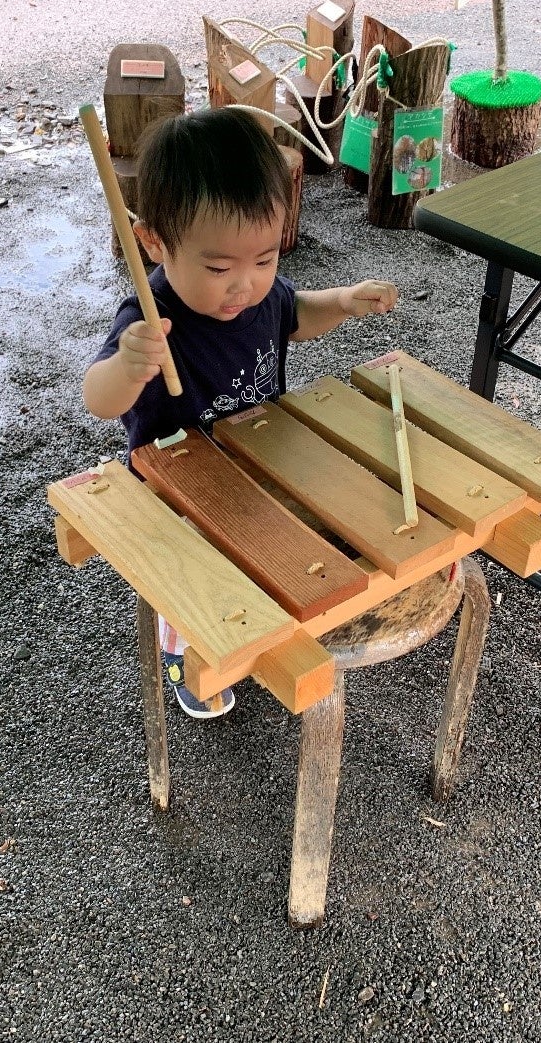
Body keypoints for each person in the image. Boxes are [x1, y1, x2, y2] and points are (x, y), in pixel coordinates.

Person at [83, 106, 398, 719]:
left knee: (296, 527)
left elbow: (294, 317)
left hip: (256, 458)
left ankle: (265, 607)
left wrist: (340, 302)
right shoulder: (149, 320)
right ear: (154, 241)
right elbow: (99, 400)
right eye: (220, 267)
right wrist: (128, 365)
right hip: (178, 487)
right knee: (196, 574)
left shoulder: (260, 295)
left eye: (265, 260)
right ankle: (187, 648)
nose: (245, 286)